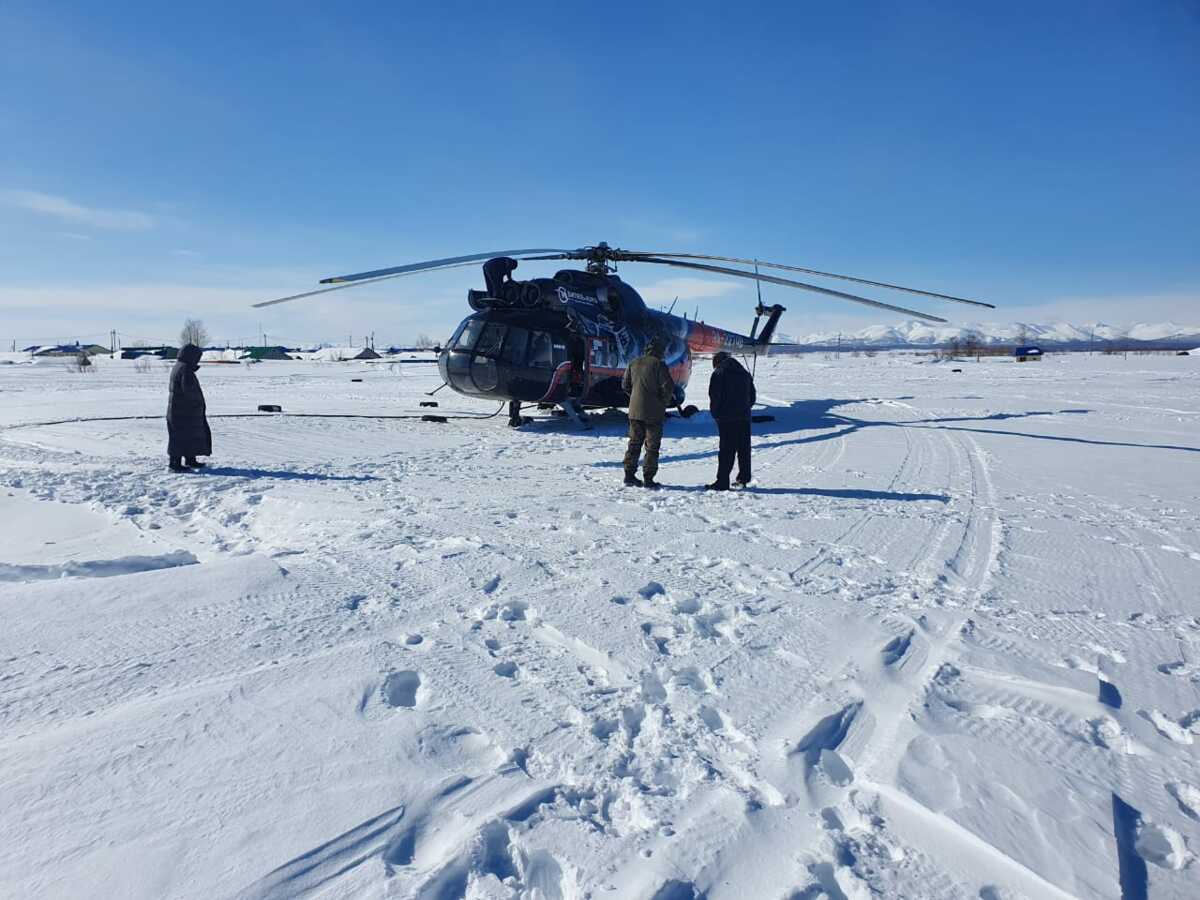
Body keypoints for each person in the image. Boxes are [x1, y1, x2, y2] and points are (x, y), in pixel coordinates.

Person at [621, 336, 674, 488]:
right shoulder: (659, 365)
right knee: (652, 446)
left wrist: (635, 398)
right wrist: (662, 402)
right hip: (653, 413)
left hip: (634, 412)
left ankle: (629, 475)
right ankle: (648, 478)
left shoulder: (634, 363)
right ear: (659, 351)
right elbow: (668, 387)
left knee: (634, 443)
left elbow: (625, 385)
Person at [707, 351, 756, 490]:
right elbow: (752, 397)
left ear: (717, 362)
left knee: (726, 451)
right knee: (744, 449)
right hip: (744, 418)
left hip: (727, 419)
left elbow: (714, 396)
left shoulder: (719, 373)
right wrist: (745, 409)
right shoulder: (745, 373)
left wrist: (715, 414)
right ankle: (744, 479)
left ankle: (722, 482)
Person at [166, 344, 212, 472]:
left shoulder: (180, 366)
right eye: (197, 358)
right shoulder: (185, 369)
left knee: (188, 435)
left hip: (181, 410)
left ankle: (190, 459)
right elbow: (190, 391)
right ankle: (175, 462)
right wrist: (197, 404)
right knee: (179, 437)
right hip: (183, 411)